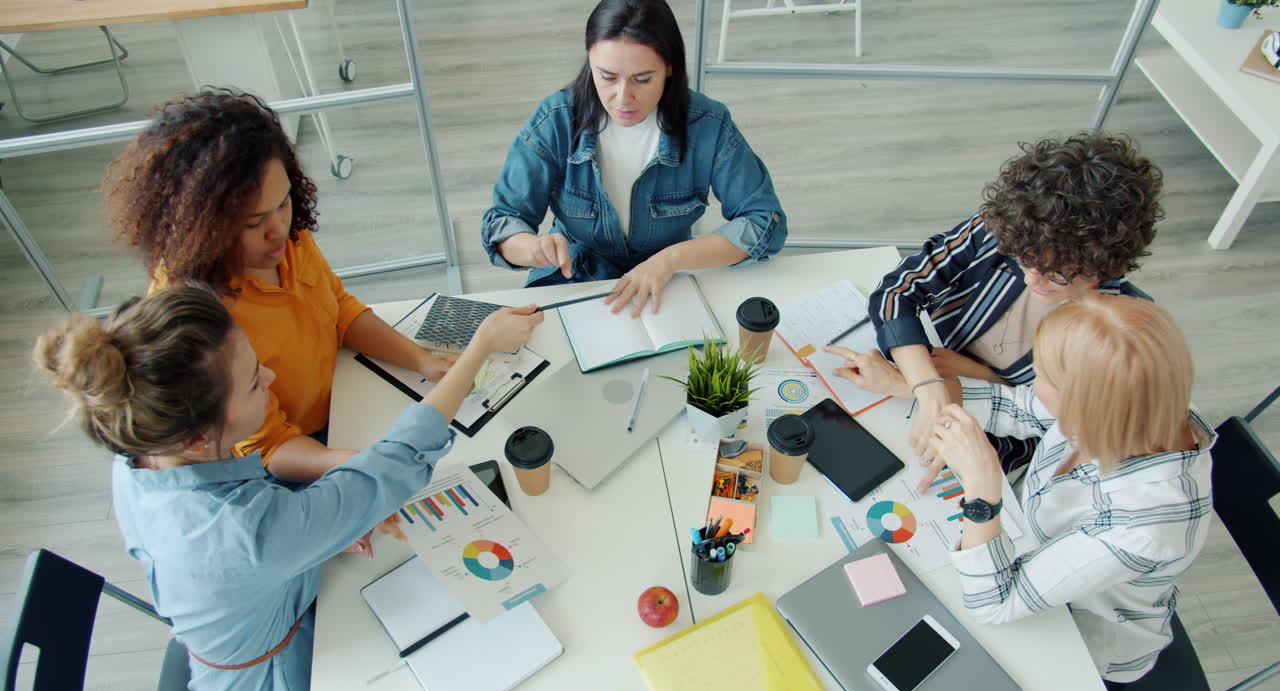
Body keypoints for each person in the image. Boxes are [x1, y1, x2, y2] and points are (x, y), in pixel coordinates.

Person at [34, 285, 540, 691]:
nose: (271, 380)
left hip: (268, 606)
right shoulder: (244, 537)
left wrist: (318, 532)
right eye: (255, 381)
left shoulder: (139, 457)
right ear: (194, 437)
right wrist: (479, 350)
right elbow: (392, 463)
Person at [103, 90, 528, 491]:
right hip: (295, 459)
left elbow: (338, 309)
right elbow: (269, 448)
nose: (278, 232)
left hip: (345, 399)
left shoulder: (287, 241)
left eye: (284, 203)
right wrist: (366, 462)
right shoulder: (196, 317)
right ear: (200, 226)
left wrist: (419, 359)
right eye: (253, 223)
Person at [830, 295, 1214, 684]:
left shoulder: (1147, 528)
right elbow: (1022, 407)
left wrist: (982, 490)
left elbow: (995, 604)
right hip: (1027, 546)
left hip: (1075, 638)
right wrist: (906, 384)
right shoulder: (1139, 399)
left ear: (1086, 403)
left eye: (1045, 375)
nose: (1033, 381)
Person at [842, 133, 1163, 471]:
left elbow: (1055, 425)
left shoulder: (1122, 328)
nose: (1032, 279)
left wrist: (974, 376)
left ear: (1105, 264)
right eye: (1024, 259)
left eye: (1057, 274)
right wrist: (929, 386)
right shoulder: (1014, 228)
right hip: (917, 381)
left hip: (987, 440)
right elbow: (898, 292)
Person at [481, 0, 787, 317]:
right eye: (607, 77)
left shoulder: (708, 124)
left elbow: (765, 223)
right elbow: (502, 222)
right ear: (589, 60)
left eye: (642, 79)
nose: (623, 98)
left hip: (669, 282)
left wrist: (671, 259)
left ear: (670, 67)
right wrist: (531, 248)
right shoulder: (555, 120)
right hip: (574, 278)